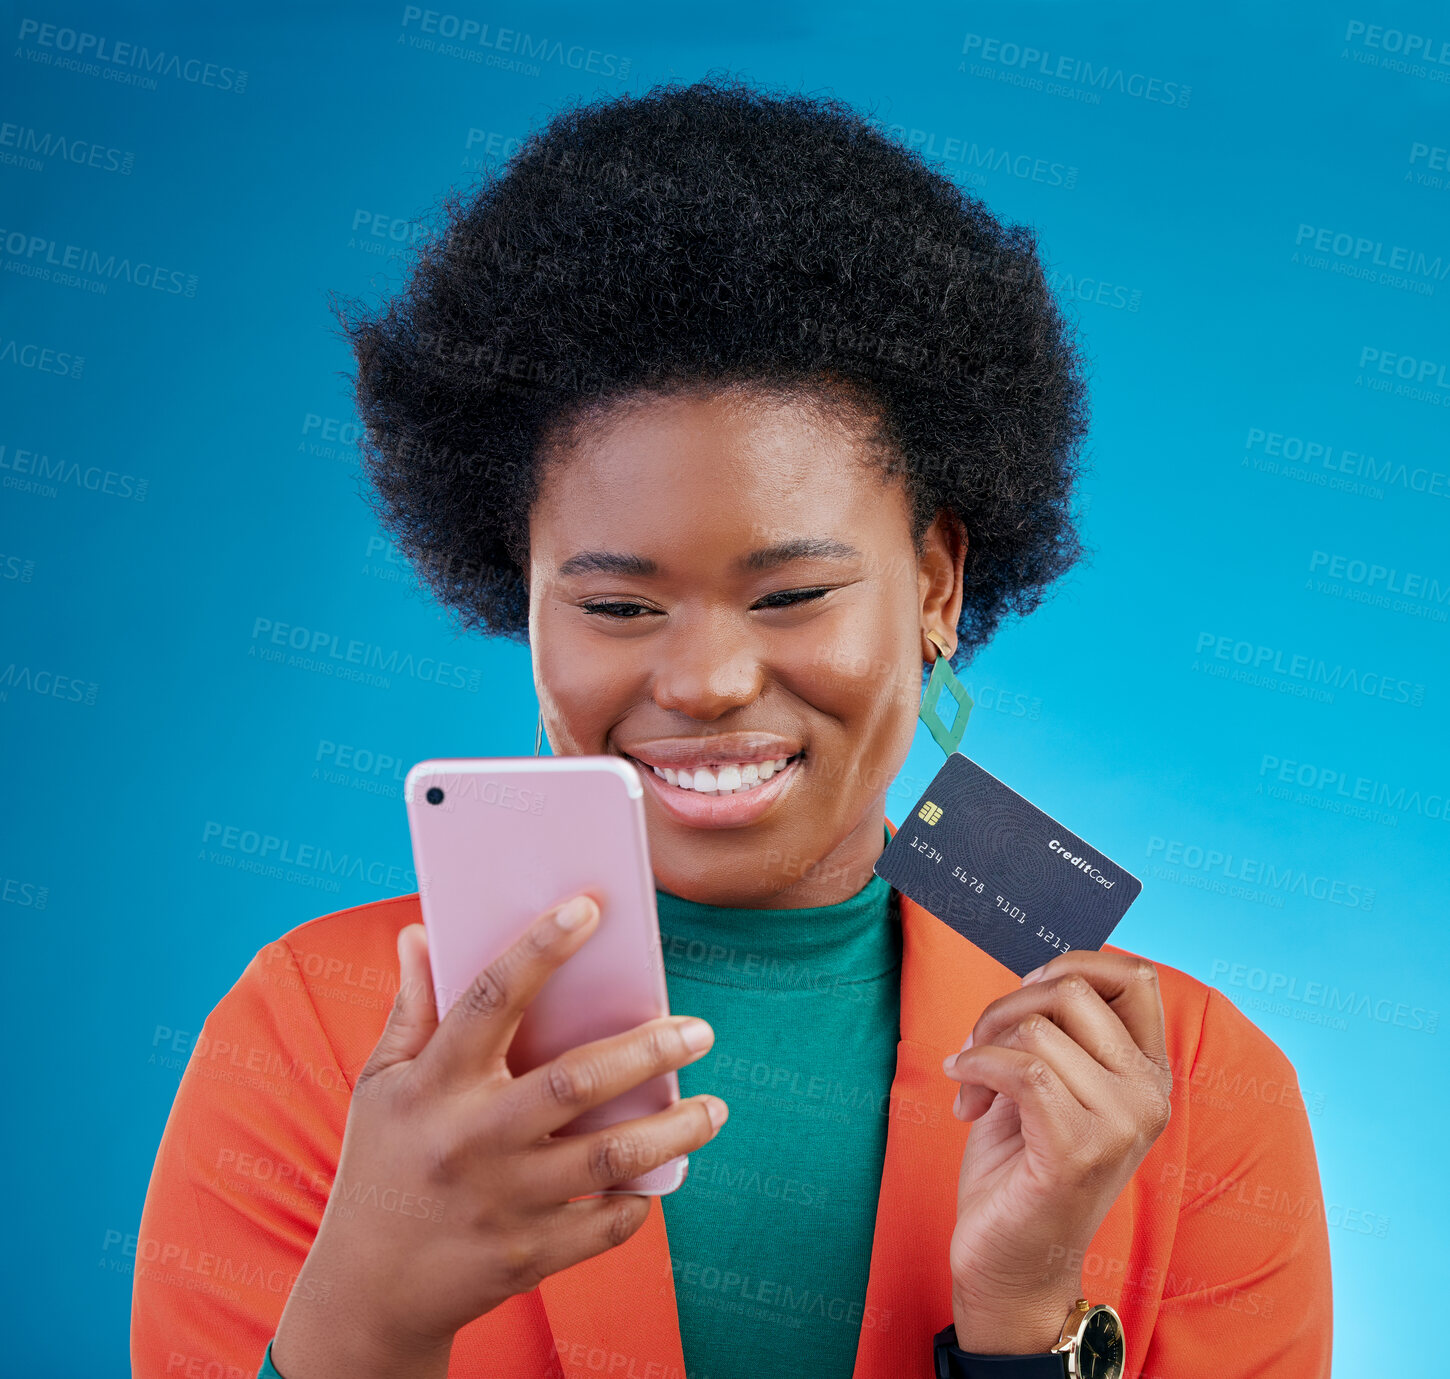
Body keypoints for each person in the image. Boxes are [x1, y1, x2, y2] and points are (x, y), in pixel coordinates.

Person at [131, 75, 1332, 1379]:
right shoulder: (317, 1034)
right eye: (616, 601)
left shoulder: (1190, 1092)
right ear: (519, 599)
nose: (702, 681)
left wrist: (1026, 1330)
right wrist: (368, 1314)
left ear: (933, 583)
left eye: (792, 593)